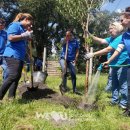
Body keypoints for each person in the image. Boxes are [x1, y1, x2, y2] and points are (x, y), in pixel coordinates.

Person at [85, 22, 129, 109]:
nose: (109, 31)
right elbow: (101, 41)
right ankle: (114, 101)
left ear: (117, 29)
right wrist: (89, 35)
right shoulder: (112, 38)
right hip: (114, 64)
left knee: (122, 84)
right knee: (114, 84)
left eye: (111, 29)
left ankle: (123, 104)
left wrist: (93, 54)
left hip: (122, 64)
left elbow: (108, 49)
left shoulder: (120, 38)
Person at [103, 7, 130, 115]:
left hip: (125, 63)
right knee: (129, 86)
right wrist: (108, 61)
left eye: (122, 19)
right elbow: (118, 49)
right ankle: (128, 109)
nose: (120, 22)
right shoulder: (125, 35)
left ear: (129, 18)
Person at [0, 13, 33, 101]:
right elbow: (10, 38)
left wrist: (27, 37)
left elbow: (22, 43)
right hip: (12, 54)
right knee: (13, 75)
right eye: (30, 23)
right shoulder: (15, 25)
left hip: (19, 56)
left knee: (17, 77)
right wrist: (24, 35)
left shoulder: (22, 29)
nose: (30, 25)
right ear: (26, 19)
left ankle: (11, 98)